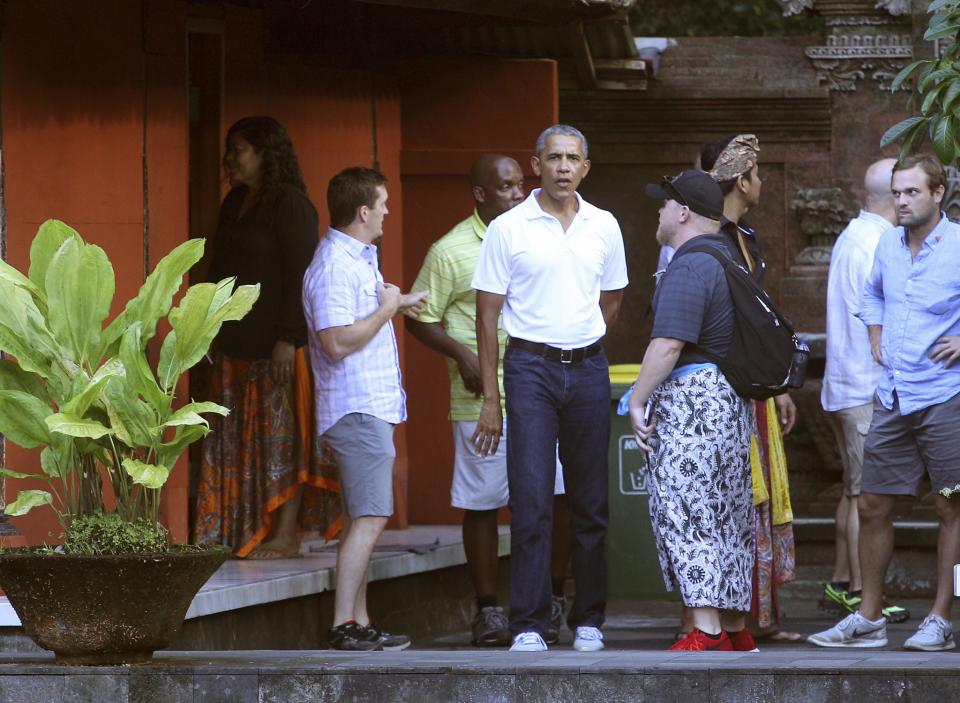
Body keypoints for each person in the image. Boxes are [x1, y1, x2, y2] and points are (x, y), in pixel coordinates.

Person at [406, 154, 573, 647]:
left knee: (558, 496)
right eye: (505, 188)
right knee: (482, 501)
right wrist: (461, 353)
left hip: (545, 389)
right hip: (481, 399)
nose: (518, 195)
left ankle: (553, 598)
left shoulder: (540, 231)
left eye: (521, 185)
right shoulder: (450, 250)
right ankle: (488, 610)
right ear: (479, 193)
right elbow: (419, 315)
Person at [472, 124, 628, 653]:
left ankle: (589, 618)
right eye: (554, 157)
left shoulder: (604, 225)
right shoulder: (508, 228)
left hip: (587, 368)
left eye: (573, 158)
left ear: (586, 167)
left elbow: (612, 300)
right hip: (529, 368)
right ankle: (531, 622)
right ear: (536, 163)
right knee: (532, 498)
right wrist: (492, 398)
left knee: (590, 501)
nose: (563, 167)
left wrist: (580, 338)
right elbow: (487, 317)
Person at [809, 153, 960, 651]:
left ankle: (940, 617)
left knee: (951, 507)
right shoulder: (887, 245)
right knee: (871, 503)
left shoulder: (958, 245)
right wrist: (875, 329)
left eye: (912, 192)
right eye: (897, 192)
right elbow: (872, 294)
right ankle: (869, 617)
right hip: (893, 392)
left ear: (938, 193)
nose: (902, 201)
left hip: (945, 394)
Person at [194, 116, 340, 560]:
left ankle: (284, 535)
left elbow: (302, 276)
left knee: (280, 439)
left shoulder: (290, 204)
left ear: (265, 153)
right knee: (238, 438)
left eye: (239, 149)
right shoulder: (235, 202)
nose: (230, 158)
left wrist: (289, 338)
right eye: (230, 149)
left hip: (278, 346)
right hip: (235, 345)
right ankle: (242, 531)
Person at [629, 169, 755, 653]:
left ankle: (705, 630)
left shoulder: (687, 264)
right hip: (728, 399)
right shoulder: (728, 257)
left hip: (692, 403)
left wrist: (638, 399)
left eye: (663, 203)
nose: (658, 211)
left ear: (681, 212)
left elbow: (667, 344)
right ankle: (735, 626)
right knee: (729, 513)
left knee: (688, 508)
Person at [303, 167, 427, 651]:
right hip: (355, 409)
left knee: (362, 518)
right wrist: (386, 309)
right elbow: (335, 342)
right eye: (383, 204)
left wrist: (396, 303)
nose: (387, 212)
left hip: (367, 408)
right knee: (372, 518)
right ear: (363, 211)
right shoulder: (335, 265)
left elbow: (355, 320)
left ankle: (359, 620)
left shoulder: (355, 259)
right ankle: (345, 625)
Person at [700, 134, 801, 642]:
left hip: (755, 386)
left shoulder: (748, 238)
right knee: (727, 499)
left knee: (757, 498)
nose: (761, 182)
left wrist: (778, 382)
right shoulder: (707, 240)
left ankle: (759, 617)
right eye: (756, 174)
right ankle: (710, 619)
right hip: (720, 387)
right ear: (741, 180)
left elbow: (761, 319)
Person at [820, 158, 908, 624]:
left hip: (843, 384)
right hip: (863, 386)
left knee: (852, 491)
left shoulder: (852, 236)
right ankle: (860, 590)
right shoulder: (877, 244)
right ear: (893, 196)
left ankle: (839, 579)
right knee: (866, 495)